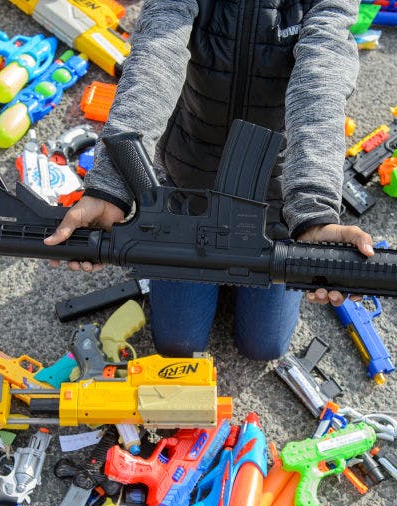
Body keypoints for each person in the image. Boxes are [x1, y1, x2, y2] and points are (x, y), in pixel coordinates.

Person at [45, 0, 374, 360]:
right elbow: (155, 57)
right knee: (178, 345)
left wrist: (313, 214)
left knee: (264, 346)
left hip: (275, 205)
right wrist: (110, 186)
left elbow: (320, 87)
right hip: (187, 191)